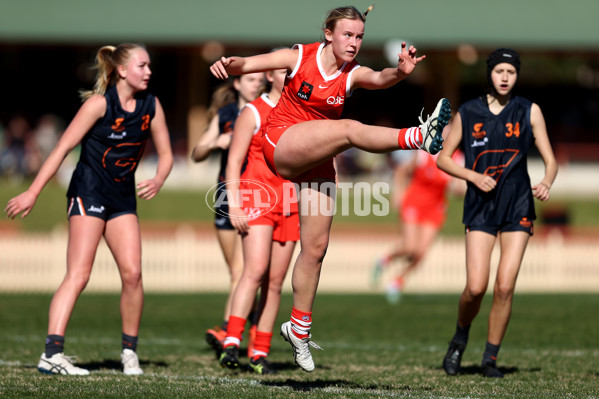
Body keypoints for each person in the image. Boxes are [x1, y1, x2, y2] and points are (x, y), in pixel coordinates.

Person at [210, 5, 451, 372]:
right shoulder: (299, 56)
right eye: (347, 35)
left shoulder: (351, 73)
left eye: (359, 37)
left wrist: (401, 72)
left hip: (317, 157)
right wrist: (229, 64)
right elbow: (248, 64)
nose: (354, 43)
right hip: (282, 143)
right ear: (328, 33)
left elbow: (380, 78)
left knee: (316, 248)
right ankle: (418, 135)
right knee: (349, 130)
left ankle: (299, 329)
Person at [4, 43, 173, 375]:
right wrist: (33, 192)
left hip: (122, 197)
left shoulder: (152, 105)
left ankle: (129, 353)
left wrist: (159, 178)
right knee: (79, 274)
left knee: (133, 274)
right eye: (142, 65)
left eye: (150, 65)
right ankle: (52, 355)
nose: (149, 71)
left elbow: (166, 154)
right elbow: (62, 148)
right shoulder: (98, 104)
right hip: (88, 190)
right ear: (122, 70)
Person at [436, 48, 558, 378]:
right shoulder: (468, 112)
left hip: (518, 203)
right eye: (499, 71)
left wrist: (547, 181)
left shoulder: (529, 111)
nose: (505, 77)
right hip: (480, 205)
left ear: (517, 76)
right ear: (489, 74)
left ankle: (489, 359)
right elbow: (443, 159)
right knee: (476, 287)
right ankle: (460, 336)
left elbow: (551, 159)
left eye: (511, 72)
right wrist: (473, 176)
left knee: (504, 286)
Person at [219, 66, 299, 374]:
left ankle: (259, 352)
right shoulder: (253, 111)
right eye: (283, 71)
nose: (290, 76)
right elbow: (233, 162)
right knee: (254, 271)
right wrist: (235, 205)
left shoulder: (300, 112)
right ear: (269, 76)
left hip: (290, 201)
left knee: (276, 282)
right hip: (256, 198)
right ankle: (231, 342)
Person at [190, 72, 265, 356]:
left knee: (241, 270)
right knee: (239, 271)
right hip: (226, 195)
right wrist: (215, 142)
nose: (256, 83)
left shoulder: (266, 109)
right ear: (236, 84)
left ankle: (227, 329)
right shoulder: (226, 114)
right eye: (250, 79)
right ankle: (252, 324)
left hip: (256, 195)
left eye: (260, 79)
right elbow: (196, 153)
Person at [372, 144, 466, 304]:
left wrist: (464, 184)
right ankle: (385, 260)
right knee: (410, 247)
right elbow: (401, 170)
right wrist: (398, 193)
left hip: (435, 208)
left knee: (420, 252)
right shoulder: (425, 152)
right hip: (414, 202)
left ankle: (397, 281)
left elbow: (459, 190)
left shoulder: (458, 158)